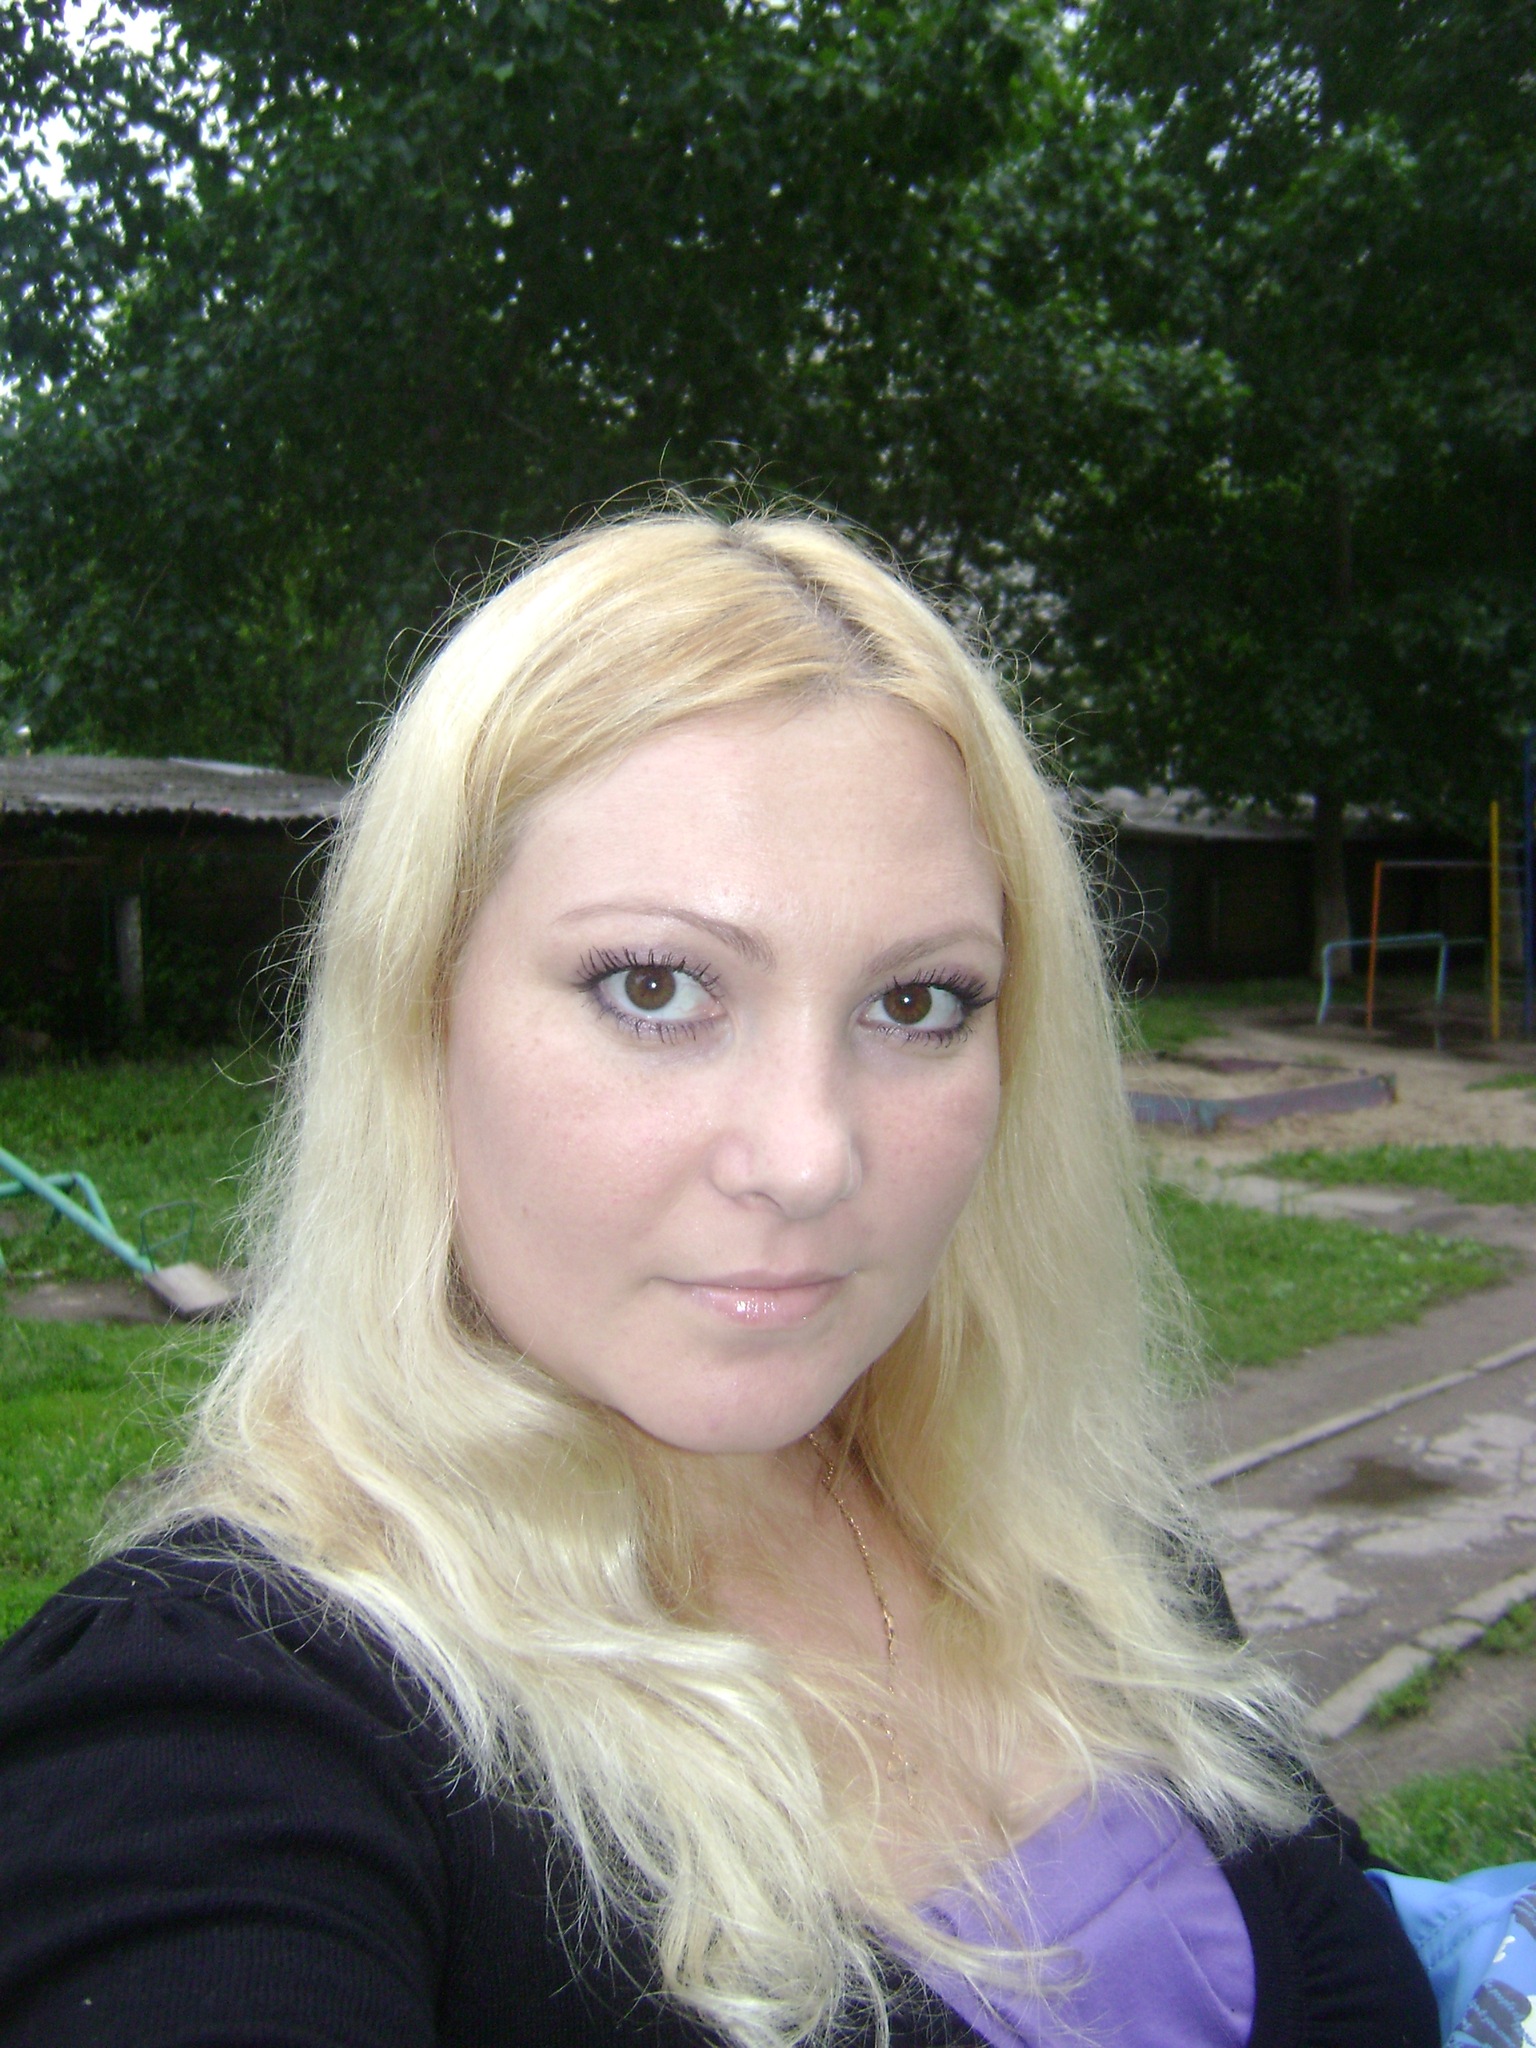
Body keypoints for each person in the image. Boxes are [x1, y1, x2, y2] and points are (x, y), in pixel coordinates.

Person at [0, 512, 1437, 2048]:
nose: (810, 1157)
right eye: (656, 985)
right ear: (421, 1016)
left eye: (917, 1001)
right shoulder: (226, 1719)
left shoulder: (1082, 1544)